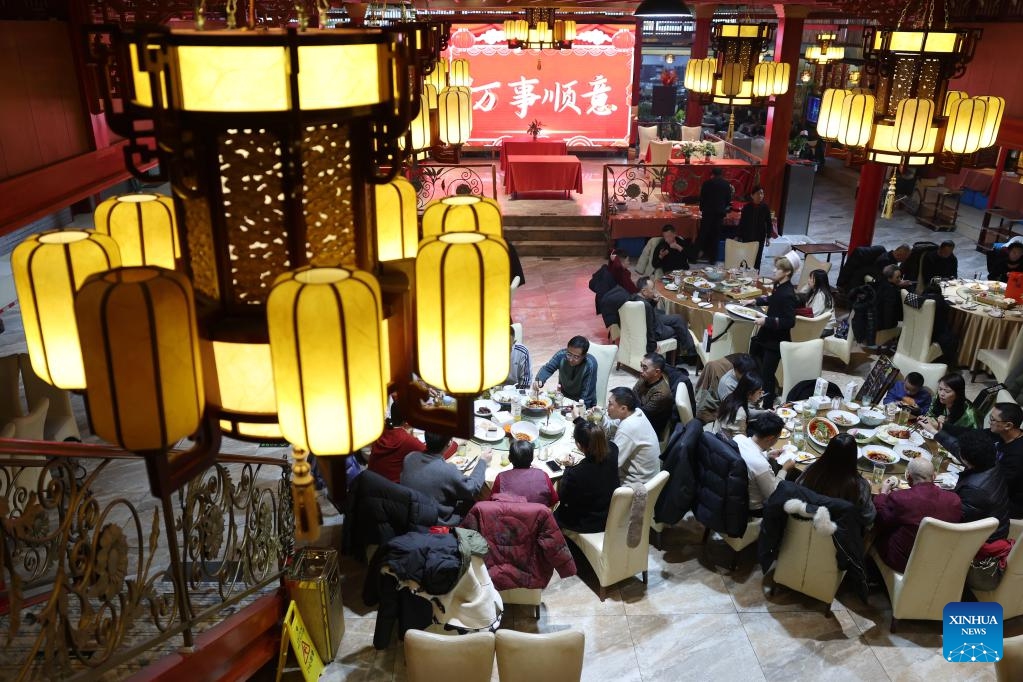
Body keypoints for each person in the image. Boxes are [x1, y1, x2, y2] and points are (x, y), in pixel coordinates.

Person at [872, 458, 962, 572]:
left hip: (903, 562)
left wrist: (883, 493)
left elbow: (880, 520)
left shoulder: (901, 498)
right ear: (934, 477)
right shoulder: (954, 500)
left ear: (908, 477)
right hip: (937, 560)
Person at [401, 432, 491, 526]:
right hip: (438, 525)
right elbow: (473, 488)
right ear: (450, 442)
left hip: (412, 517)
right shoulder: (447, 470)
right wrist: (483, 461)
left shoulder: (409, 457)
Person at [748, 253, 798, 407]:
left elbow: (790, 321)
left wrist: (766, 320)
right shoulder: (780, 287)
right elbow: (772, 299)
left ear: (787, 272)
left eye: (777, 269)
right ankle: (757, 397)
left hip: (775, 342)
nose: (774, 271)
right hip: (766, 337)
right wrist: (754, 300)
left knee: (767, 375)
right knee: (757, 366)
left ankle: (767, 405)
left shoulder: (789, 293)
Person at [796, 433, 876, 528]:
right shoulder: (860, 485)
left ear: (828, 451)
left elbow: (797, 489)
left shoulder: (812, 470)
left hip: (804, 527)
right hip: (836, 537)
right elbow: (869, 517)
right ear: (854, 456)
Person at [554, 421, 621, 533]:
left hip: (590, 522)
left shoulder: (576, 473)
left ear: (579, 445)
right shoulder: (613, 449)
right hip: (610, 511)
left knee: (554, 514)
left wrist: (568, 467)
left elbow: (563, 497)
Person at [369, 401, 457, 483]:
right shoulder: (407, 440)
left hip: (375, 485)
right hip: (395, 491)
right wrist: (454, 444)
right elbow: (434, 456)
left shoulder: (382, 431)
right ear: (407, 422)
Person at [734, 413, 796, 515]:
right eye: (777, 438)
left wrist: (766, 455)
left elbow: (749, 457)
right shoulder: (762, 466)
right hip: (754, 508)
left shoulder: (738, 438)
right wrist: (784, 469)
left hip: (735, 493)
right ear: (770, 438)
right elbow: (773, 495)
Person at [955, 429, 1010, 542]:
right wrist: (936, 432)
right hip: (997, 529)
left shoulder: (975, 490)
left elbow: (957, 518)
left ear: (965, 459)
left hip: (983, 542)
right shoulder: (991, 462)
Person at [605, 387, 661, 485]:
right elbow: (612, 427)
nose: (607, 407)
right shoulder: (635, 413)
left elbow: (611, 464)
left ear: (623, 408)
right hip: (647, 478)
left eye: (610, 404)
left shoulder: (628, 428)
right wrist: (601, 418)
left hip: (635, 485)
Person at [635, 277, 698, 359]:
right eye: (652, 289)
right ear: (644, 291)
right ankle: (687, 356)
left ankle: (690, 351)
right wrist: (652, 345)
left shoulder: (634, 298)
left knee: (678, 319)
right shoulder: (645, 306)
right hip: (656, 330)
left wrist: (654, 302)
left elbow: (647, 315)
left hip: (654, 320)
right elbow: (649, 327)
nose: (654, 291)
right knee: (678, 328)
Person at [534, 336, 598, 408]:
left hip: (582, 403)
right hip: (564, 398)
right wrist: (539, 380)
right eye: (569, 354)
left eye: (576, 357)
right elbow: (548, 369)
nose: (571, 359)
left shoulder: (590, 365)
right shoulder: (561, 355)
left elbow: (586, 396)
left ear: (584, 356)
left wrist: (578, 408)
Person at [492, 440, 559, 507]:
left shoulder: (501, 478)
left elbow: (492, 502)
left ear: (509, 458)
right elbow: (554, 500)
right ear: (532, 458)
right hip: (537, 516)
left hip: (510, 516)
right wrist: (539, 472)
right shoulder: (543, 475)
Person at [989, 402, 1023, 518]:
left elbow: (1000, 485)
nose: (990, 422)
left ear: (1008, 425)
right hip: (996, 485)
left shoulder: (1017, 456)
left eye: (993, 419)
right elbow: (979, 434)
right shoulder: (1005, 434)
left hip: (1010, 503)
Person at [920, 372, 978, 438]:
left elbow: (974, 438)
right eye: (940, 389)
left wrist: (946, 426)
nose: (941, 394)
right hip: (935, 436)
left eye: (947, 391)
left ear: (958, 393)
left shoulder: (970, 413)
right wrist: (928, 419)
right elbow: (930, 415)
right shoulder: (937, 398)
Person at [711, 372, 766, 439]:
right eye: (759, 392)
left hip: (718, 437)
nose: (761, 394)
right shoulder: (740, 412)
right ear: (749, 393)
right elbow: (741, 442)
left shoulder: (732, 397)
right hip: (726, 444)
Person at [698, 167, 732, 263]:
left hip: (707, 212)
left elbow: (702, 198)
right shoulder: (726, 184)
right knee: (716, 236)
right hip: (719, 213)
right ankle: (713, 259)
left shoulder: (706, 183)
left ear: (712, 174)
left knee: (703, 234)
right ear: (721, 174)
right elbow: (728, 200)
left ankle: (694, 256)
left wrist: (701, 208)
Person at [634, 353, 674, 436]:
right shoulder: (645, 378)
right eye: (641, 366)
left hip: (651, 430)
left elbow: (641, 414)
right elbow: (632, 395)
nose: (641, 370)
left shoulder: (662, 393)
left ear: (657, 372)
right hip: (640, 418)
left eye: (645, 368)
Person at [921, 278, 958, 364]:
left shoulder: (919, 299)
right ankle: (949, 364)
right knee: (954, 339)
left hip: (919, 330)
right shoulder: (941, 302)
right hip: (935, 334)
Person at [737, 185, 773, 269]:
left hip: (759, 237)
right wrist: (738, 235)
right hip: (747, 236)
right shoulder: (747, 207)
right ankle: (743, 275)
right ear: (752, 195)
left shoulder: (765, 207)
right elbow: (742, 222)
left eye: (762, 193)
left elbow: (769, 223)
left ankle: (755, 275)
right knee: (745, 256)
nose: (760, 196)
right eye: (757, 193)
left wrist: (768, 237)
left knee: (757, 258)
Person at [802, 269, 836, 336]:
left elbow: (814, 314)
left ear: (818, 281)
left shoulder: (821, 295)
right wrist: (808, 285)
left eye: (811, 278)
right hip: (819, 324)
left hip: (825, 328)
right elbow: (800, 295)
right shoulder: (814, 291)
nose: (808, 280)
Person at [875, 264, 905, 334]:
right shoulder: (891, 292)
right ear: (889, 278)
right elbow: (888, 311)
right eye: (897, 277)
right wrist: (887, 330)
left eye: (900, 277)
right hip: (883, 326)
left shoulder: (882, 284)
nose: (900, 279)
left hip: (877, 320)